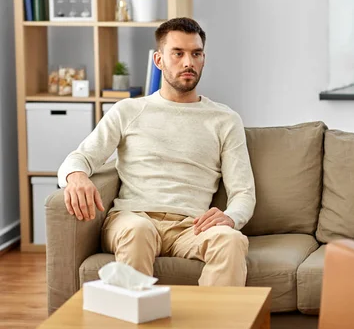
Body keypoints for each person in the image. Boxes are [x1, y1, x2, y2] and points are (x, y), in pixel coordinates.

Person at [57, 17, 256, 287]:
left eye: (196, 54)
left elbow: (243, 192)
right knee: (138, 231)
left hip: (191, 226)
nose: (188, 62)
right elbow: (79, 157)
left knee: (231, 241)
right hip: (133, 218)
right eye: (178, 53)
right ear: (159, 60)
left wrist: (230, 217)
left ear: (203, 59)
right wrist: (76, 176)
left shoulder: (225, 119)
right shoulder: (128, 110)